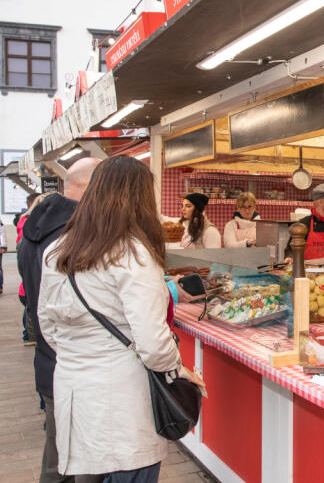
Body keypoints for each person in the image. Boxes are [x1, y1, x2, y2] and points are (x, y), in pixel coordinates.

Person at [37, 156, 205, 481]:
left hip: (73, 392)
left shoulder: (57, 251)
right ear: (141, 199)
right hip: (123, 401)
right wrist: (180, 369)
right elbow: (155, 346)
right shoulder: (132, 253)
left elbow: (49, 327)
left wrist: (82, 355)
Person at [18, 157, 101, 483]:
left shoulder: (34, 230)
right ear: (93, 188)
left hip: (49, 362)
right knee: (81, 466)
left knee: (57, 462)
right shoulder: (73, 237)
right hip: (77, 368)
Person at [18, 192, 54, 346]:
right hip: (38, 288)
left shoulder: (25, 229)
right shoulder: (53, 238)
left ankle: (30, 336)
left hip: (28, 287)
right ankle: (29, 335)